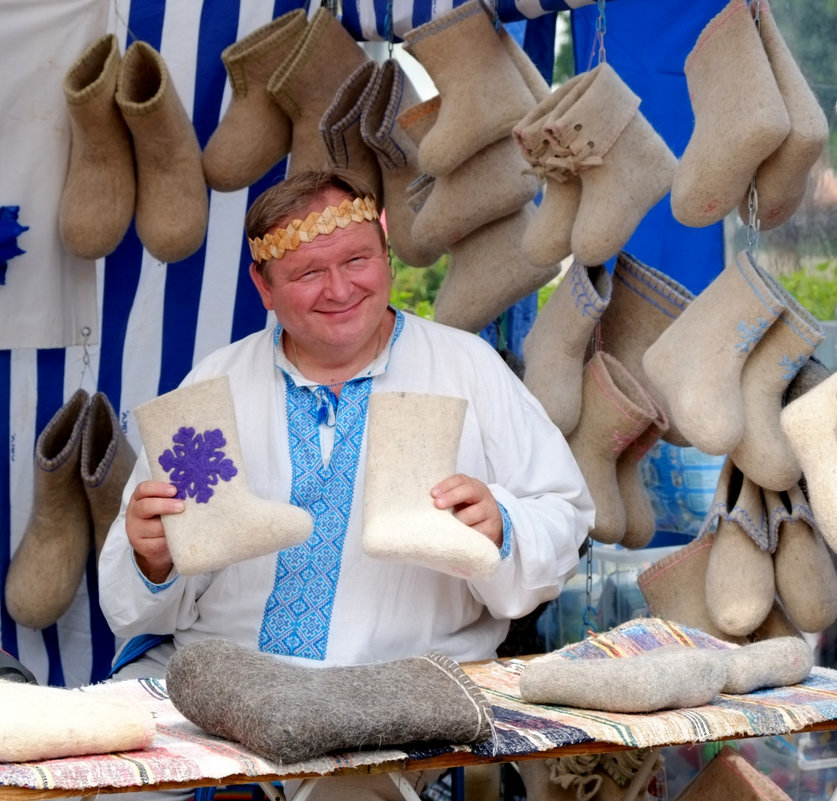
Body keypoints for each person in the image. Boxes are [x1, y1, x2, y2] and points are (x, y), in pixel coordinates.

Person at [98, 168, 595, 801]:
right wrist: (152, 557)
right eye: (307, 273)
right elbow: (134, 604)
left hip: (403, 693)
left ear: (384, 258)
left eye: (357, 260)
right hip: (225, 686)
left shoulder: (466, 369)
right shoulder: (211, 387)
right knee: (94, 778)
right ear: (264, 286)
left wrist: (502, 524)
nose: (339, 289)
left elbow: (566, 511)